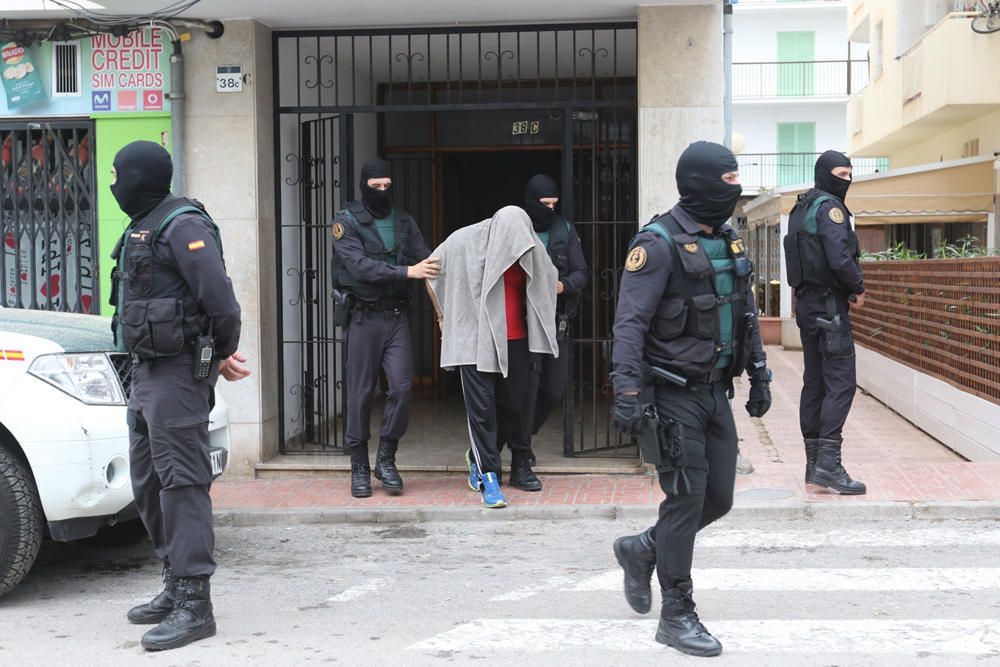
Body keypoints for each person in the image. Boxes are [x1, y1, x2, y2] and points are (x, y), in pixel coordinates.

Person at [609, 141, 771, 657]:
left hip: (715, 392)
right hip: (672, 395)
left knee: (717, 498)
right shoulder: (656, 244)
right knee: (685, 501)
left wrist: (761, 373)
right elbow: (629, 324)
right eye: (727, 183)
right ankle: (676, 613)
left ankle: (643, 549)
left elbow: (745, 309)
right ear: (699, 185)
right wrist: (627, 391)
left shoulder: (728, 239)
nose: (735, 192)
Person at [108, 140, 250, 651]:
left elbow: (222, 303)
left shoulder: (182, 224)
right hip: (145, 373)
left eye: (117, 174)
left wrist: (217, 358)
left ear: (140, 177)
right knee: (147, 481)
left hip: (177, 375)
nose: (112, 183)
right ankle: (174, 581)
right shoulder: (141, 224)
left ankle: (196, 602)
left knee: (183, 484)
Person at [426, 206, 558, 508]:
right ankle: (490, 477)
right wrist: (442, 315)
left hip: (515, 339)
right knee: (482, 410)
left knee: (513, 405)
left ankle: (477, 455)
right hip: (476, 339)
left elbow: (548, 276)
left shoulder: (528, 243)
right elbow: (431, 269)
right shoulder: (465, 240)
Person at [331, 159, 438, 498]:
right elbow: (360, 267)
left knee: (403, 388)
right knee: (360, 393)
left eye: (386, 185)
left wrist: (443, 313)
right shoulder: (344, 222)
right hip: (363, 317)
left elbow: (430, 266)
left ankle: (386, 458)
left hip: (395, 317)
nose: (382, 191)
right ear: (364, 186)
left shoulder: (404, 222)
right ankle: (359, 465)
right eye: (375, 186)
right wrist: (407, 272)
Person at [783, 150, 866, 495]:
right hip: (830, 306)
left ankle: (814, 463)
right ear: (824, 174)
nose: (846, 180)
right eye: (841, 174)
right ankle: (829, 466)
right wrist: (857, 287)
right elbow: (839, 256)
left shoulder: (800, 208)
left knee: (814, 381)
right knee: (841, 382)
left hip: (806, 305)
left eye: (850, 174)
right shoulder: (831, 208)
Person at [521, 175, 589, 491]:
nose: (549, 210)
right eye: (543, 204)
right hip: (521, 322)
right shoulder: (517, 226)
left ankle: (522, 434)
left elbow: (581, 272)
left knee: (553, 389)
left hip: (556, 319)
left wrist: (565, 285)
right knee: (526, 389)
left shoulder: (564, 229)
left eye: (553, 204)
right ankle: (521, 448)